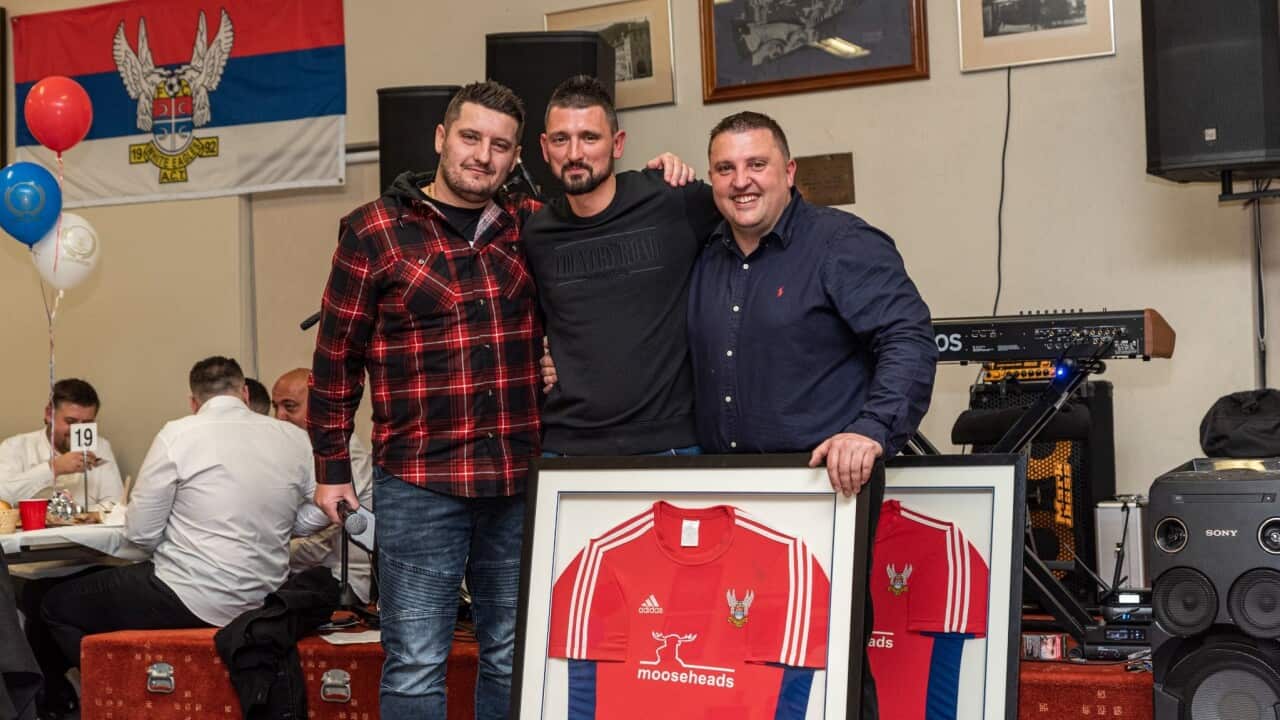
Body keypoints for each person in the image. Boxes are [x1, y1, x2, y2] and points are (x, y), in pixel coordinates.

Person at [308, 80, 692, 719]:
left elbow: (592, 280)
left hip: (518, 479)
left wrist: (660, 176)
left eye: (500, 145)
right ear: (441, 137)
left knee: (514, 656)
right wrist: (331, 468)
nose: (482, 156)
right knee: (415, 664)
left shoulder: (532, 225)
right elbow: (335, 358)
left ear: (518, 156)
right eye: (470, 137)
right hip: (420, 480)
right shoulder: (374, 231)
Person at [688, 111, 938, 719]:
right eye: (725, 168)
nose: (741, 181)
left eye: (757, 164)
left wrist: (871, 429)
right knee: (736, 671)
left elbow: (908, 338)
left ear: (789, 171)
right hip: (727, 494)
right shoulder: (704, 253)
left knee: (829, 668)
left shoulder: (841, 243)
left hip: (822, 489)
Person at [41, 357, 324, 680]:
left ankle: (120, 691)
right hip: (266, 597)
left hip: (189, 594)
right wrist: (286, 526)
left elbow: (141, 533)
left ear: (193, 402)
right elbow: (327, 504)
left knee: (54, 604)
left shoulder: (178, 434)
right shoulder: (294, 439)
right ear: (245, 393)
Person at [523, 75, 717, 457]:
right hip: (567, 447)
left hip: (668, 445)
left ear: (618, 143)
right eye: (561, 139)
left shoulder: (672, 200)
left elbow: (758, 219)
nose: (574, 153)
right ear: (545, 148)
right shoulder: (536, 232)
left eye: (589, 138)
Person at [271, 367, 374, 602]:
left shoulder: (345, 454)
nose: (279, 417)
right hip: (309, 572)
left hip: (344, 581)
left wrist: (265, 548)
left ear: (319, 407)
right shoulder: (304, 451)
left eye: (289, 406)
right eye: (275, 406)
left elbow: (318, 543)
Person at [0, 378, 123, 510]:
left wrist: (79, 513)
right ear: (49, 414)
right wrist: (53, 468)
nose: (77, 431)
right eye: (70, 422)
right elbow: (3, 495)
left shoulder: (101, 447)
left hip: (86, 523)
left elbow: (115, 505)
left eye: (87, 423)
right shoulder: (15, 446)